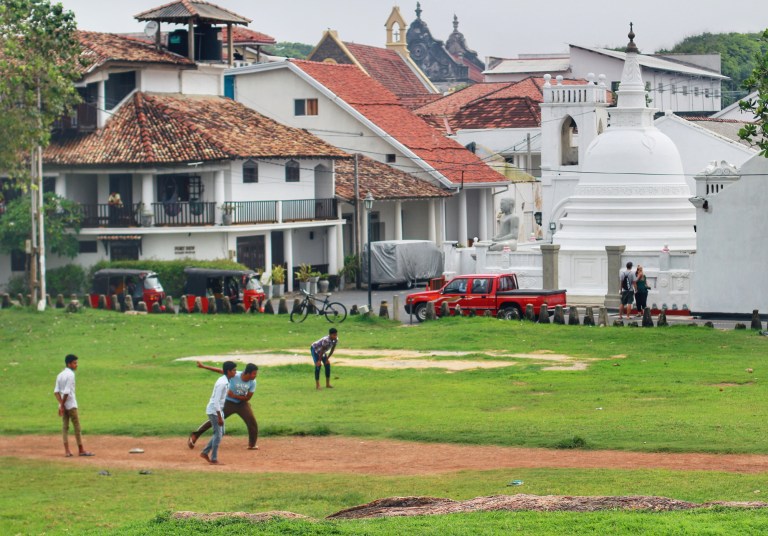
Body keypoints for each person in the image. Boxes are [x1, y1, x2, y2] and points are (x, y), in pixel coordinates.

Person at [188, 362, 260, 450]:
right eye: (254, 373)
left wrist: (234, 396)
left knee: (252, 422)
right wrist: (203, 366)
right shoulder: (235, 375)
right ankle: (195, 435)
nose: (256, 375)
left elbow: (248, 398)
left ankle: (252, 444)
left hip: (242, 404)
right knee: (215, 419)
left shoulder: (253, 382)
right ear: (247, 373)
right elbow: (219, 370)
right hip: (228, 403)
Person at [53, 354, 94, 457]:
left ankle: (67, 451)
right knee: (77, 427)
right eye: (75, 363)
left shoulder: (59, 375)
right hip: (71, 404)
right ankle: (81, 450)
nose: (77, 365)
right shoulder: (71, 375)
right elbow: (67, 392)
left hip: (62, 404)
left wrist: (61, 405)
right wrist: (63, 405)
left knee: (65, 427)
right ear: (69, 364)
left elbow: (56, 392)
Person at [199, 360, 237, 465]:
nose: (235, 372)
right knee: (218, 435)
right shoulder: (222, 383)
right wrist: (219, 417)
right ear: (228, 371)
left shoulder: (225, 379)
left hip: (218, 410)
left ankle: (205, 452)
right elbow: (216, 401)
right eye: (234, 370)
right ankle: (213, 459)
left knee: (221, 433)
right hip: (214, 411)